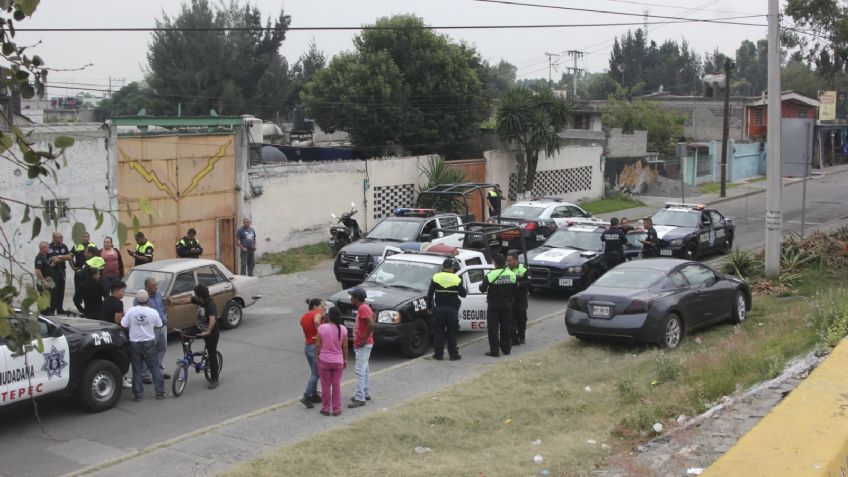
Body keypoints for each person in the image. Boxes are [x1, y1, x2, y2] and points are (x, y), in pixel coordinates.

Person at [169, 284, 220, 389]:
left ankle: (215, 379)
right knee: (184, 334)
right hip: (200, 328)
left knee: (212, 354)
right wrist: (173, 302)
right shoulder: (199, 300)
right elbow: (186, 300)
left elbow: (212, 319)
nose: (194, 295)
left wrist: (208, 331)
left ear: (200, 296)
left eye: (195, 294)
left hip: (211, 332)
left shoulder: (210, 304)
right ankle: (188, 355)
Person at [120, 289, 168, 401]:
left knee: (137, 369)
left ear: (137, 299)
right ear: (147, 300)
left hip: (135, 343)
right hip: (149, 342)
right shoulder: (153, 312)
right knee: (155, 368)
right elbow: (159, 325)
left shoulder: (131, 311)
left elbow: (123, 324)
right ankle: (160, 393)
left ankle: (138, 395)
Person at [426, 258, 467, 361]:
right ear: (452, 268)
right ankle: (453, 355)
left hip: (439, 309)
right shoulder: (456, 278)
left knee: (438, 332)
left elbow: (430, 294)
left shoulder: (436, 277)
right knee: (452, 332)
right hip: (452, 310)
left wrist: (429, 307)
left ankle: (438, 355)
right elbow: (463, 294)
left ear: (443, 266)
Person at [479, 254, 517, 358]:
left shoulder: (490, 275)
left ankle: (494, 351)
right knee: (506, 327)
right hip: (507, 304)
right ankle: (506, 349)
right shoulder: (511, 274)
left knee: (493, 329)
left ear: (495, 263)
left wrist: (480, 285)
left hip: (494, 305)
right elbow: (515, 289)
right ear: (504, 262)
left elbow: (482, 289)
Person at [135, 277, 169, 383]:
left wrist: (165, 314)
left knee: (161, 349)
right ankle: (145, 374)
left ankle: (159, 370)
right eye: (154, 285)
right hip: (151, 329)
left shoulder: (158, 295)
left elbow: (163, 307)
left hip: (162, 327)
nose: (156, 287)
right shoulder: (141, 298)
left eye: (156, 285)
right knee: (149, 352)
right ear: (147, 287)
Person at [316, 306, 348, 417]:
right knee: (336, 385)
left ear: (328, 316)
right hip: (338, 361)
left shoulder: (322, 328)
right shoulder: (343, 329)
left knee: (325, 385)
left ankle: (325, 408)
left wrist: (318, 357)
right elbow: (345, 347)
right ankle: (336, 409)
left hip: (324, 360)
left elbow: (318, 345)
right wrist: (345, 359)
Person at [348, 287, 374, 408]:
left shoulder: (363, 308)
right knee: (365, 370)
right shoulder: (364, 307)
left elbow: (371, 324)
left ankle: (360, 397)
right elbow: (373, 317)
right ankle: (366, 392)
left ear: (357, 298)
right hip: (364, 343)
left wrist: (363, 339)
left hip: (363, 344)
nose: (350, 298)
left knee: (359, 371)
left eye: (352, 296)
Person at [299, 299, 325, 408]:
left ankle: (314, 395)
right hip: (315, 346)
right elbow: (316, 321)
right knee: (316, 374)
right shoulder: (317, 313)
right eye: (321, 306)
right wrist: (321, 333)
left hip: (308, 346)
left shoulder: (304, 317)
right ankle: (307, 395)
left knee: (314, 372)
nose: (322, 308)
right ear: (315, 306)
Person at [507, 252, 531, 346]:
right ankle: (514, 338)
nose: (507, 262)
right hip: (510, 298)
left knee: (521, 319)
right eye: (507, 260)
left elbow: (529, 282)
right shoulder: (506, 269)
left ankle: (522, 337)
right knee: (511, 319)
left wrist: (519, 285)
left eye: (509, 260)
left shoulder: (524, 269)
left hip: (521, 299)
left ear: (515, 260)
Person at [47, 232, 72, 314]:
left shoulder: (63, 246)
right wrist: (56, 259)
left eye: (62, 237)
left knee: (61, 290)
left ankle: (60, 309)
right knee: (54, 291)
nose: (61, 239)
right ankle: (52, 309)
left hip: (62, 272)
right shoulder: (49, 247)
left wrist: (59, 257)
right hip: (53, 272)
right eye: (59, 237)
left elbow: (69, 257)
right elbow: (49, 259)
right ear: (54, 238)